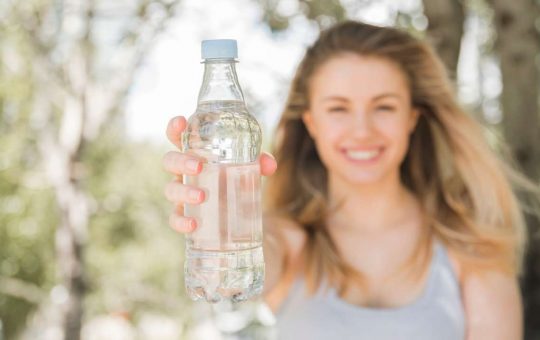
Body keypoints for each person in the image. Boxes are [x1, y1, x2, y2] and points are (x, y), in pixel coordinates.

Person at [163, 20, 530, 339]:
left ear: (412, 119)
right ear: (311, 123)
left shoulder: (470, 243)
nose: (361, 131)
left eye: (384, 106)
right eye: (338, 108)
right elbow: (233, 280)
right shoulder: (290, 242)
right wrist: (219, 214)